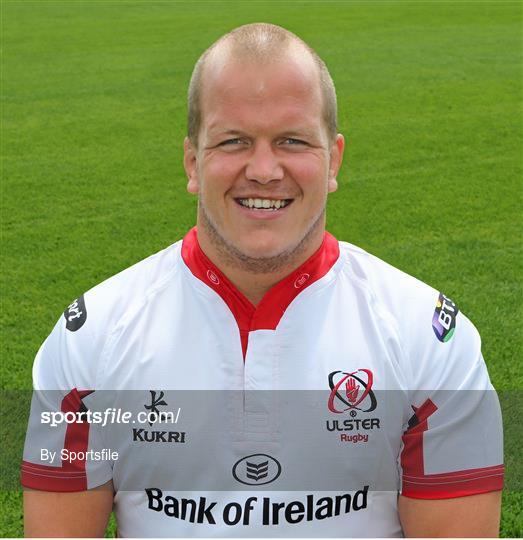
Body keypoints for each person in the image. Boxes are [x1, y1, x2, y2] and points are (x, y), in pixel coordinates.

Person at [22, 23, 503, 537]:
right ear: (192, 161)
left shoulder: (426, 338)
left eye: (292, 141)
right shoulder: (90, 340)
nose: (265, 169)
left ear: (334, 158)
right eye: (234, 142)